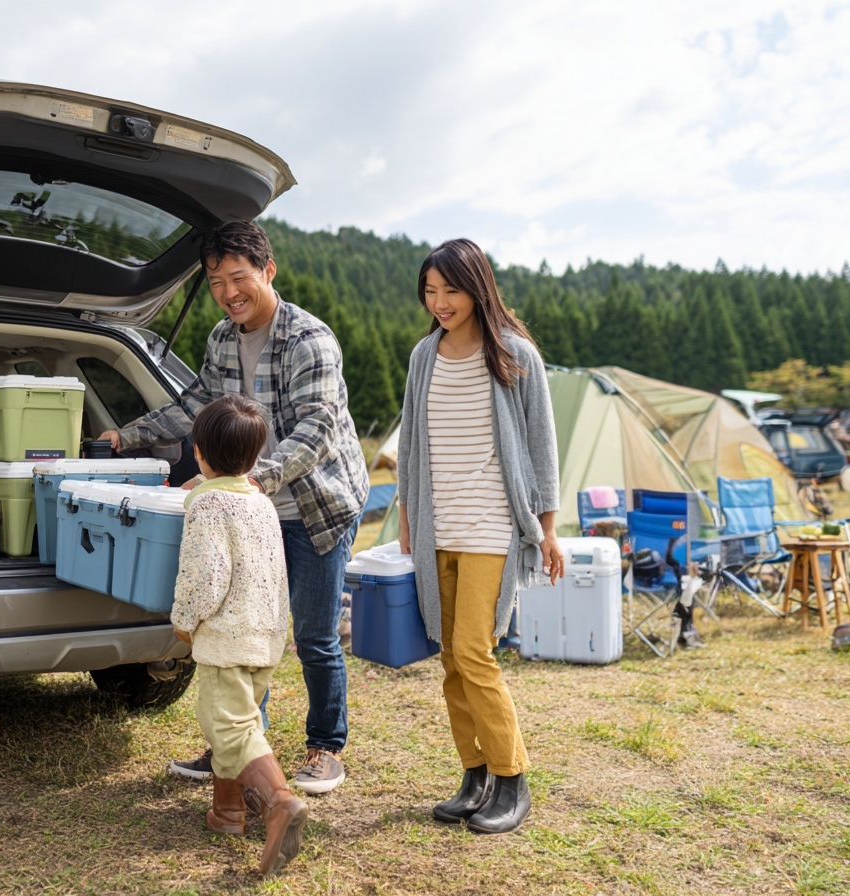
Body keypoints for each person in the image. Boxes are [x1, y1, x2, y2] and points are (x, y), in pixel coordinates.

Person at [100, 220, 368, 795]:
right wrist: (129, 435)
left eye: (238, 277)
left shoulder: (309, 338)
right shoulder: (223, 338)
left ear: (268, 271)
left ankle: (325, 746)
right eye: (216, 281)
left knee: (316, 636)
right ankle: (241, 748)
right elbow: (198, 404)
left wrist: (246, 480)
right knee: (246, 629)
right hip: (254, 510)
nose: (228, 292)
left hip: (316, 506)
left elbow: (317, 428)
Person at [395, 238, 564, 836]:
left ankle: (511, 778)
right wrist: (408, 523)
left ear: (478, 288)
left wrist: (546, 530)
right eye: (430, 292)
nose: (440, 303)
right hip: (437, 526)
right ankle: (474, 776)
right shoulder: (424, 356)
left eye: (452, 291)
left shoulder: (514, 354)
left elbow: (541, 447)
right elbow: (412, 443)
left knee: (474, 651)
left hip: (493, 526)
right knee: (448, 655)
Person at [170, 394, 307, 876]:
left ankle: (279, 801)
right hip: (264, 635)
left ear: (198, 451)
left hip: (227, 636)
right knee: (240, 722)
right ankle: (228, 813)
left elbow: (205, 575)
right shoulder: (261, 502)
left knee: (226, 726)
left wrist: (184, 620)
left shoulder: (207, 504)